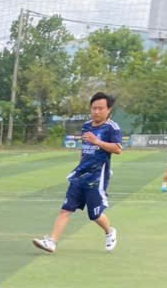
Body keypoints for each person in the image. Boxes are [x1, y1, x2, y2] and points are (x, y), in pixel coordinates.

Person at [32, 92, 121, 254]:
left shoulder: (112, 127)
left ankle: (110, 232)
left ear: (109, 110)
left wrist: (97, 141)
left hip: (97, 177)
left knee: (95, 215)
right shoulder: (86, 126)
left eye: (100, 108)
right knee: (66, 209)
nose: (96, 111)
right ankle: (51, 242)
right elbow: (85, 150)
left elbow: (117, 149)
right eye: (94, 108)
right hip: (80, 176)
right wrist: (80, 165)